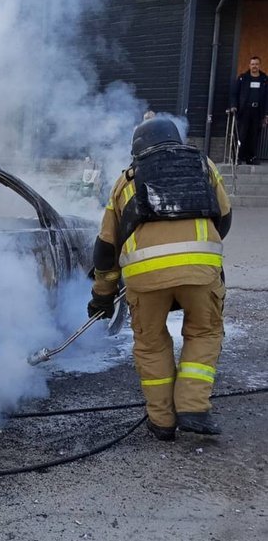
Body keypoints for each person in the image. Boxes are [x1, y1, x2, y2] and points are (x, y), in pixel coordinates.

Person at [88, 116, 232, 441]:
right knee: (204, 332)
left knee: (151, 344)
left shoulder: (125, 181)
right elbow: (224, 218)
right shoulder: (204, 166)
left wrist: (102, 297)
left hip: (144, 277)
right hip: (200, 271)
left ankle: (162, 422)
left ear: (137, 150)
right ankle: (193, 407)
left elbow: (106, 250)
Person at [230, 56, 268, 165]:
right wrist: (234, 106)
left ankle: (251, 157)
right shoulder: (243, 78)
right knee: (241, 134)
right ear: (249, 65)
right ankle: (237, 157)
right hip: (245, 111)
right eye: (252, 64)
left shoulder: (264, 79)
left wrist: (266, 114)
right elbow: (234, 94)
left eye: (256, 64)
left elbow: (267, 98)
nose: (254, 66)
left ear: (259, 65)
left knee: (254, 135)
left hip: (257, 112)